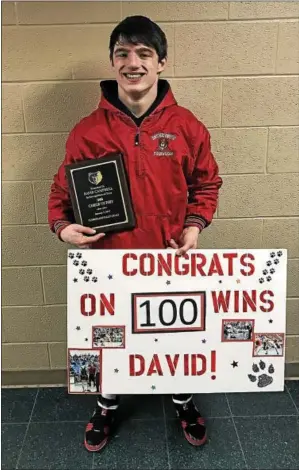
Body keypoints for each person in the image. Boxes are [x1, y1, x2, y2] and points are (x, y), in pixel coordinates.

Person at [48, 15, 222, 452]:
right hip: (109, 263)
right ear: (112, 62)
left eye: (144, 53)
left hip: (168, 260)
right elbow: (61, 192)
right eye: (123, 53)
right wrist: (63, 226)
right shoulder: (88, 131)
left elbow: (207, 184)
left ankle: (182, 399)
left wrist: (194, 225)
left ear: (161, 62)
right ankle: (105, 406)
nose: (133, 63)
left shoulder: (187, 126)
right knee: (105, 337)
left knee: (176, 336)